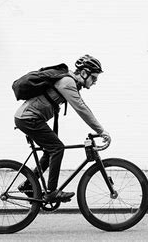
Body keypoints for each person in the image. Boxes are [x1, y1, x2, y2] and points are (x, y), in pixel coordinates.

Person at [14, 54, 110, 203]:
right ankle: (52, 192)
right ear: (84, 73)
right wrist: (101, 130)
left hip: (29, 118)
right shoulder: (67, 82)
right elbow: (82, 108)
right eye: (94, 78)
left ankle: (28, 185)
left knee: (50, 151)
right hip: (28, 118)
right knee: (57, 148)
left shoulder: (68, 82)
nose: (95, 82)